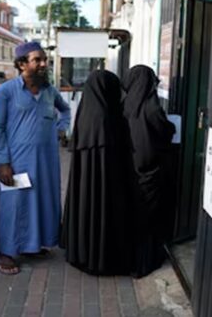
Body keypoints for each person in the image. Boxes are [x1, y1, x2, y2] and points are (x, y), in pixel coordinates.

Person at [0, 41, 71, 275]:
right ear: (21, 64)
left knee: (42, 201)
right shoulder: (4, 92)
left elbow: (65, 110)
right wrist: (2, 162)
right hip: (17, 161)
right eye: (38, 60)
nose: (44, 64)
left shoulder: (49, 91)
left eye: (44, 59)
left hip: (46, 161)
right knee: (14, 204)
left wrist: (61, 128)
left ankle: (32, 245)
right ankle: (6, 253)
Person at [61, 70, 132, 275]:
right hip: (106, 179)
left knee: (85, 205)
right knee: (103, 208)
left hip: (85, 181)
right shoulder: (108, 117)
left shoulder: (86, 112)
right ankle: (100, 255)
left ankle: (82, 252)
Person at [122, 65, 176, 278]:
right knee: (149, 218)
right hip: (151, 170)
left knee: (132, 216)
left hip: (129, 170)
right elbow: (166, 132)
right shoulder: (152, 108)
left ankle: (130, 260)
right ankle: (146, 261)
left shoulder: (123, 106)